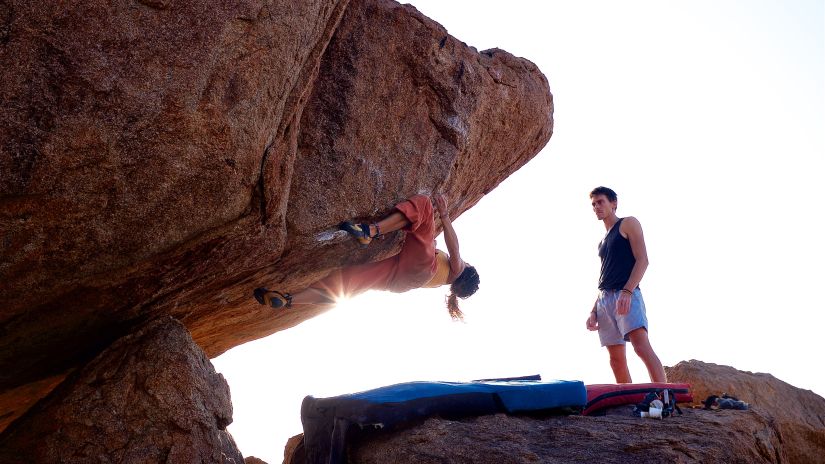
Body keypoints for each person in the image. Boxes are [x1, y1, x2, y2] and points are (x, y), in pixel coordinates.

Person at [254, 194, 479, 320]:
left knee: (425, 208)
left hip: (420, 268)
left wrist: (446, 215)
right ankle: (289, 299)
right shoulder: (442, 279)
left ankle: (370, 231)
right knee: (348, 283)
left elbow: (455, 249)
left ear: (465, 272)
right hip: (400, 282)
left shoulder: (456, 270)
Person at [585, 186, 667, 383]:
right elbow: (605, 277)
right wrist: (593, 310)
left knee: (641, 347)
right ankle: (627, 405)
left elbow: (643, 260)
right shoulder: (602, 242)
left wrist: (627, 291)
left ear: (613, 203)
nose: (597, 207)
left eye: (601, 202)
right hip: (605, 299)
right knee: (615, 360)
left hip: (626, 294)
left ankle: (664, 397)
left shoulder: (628, 223)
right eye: (593, 204)